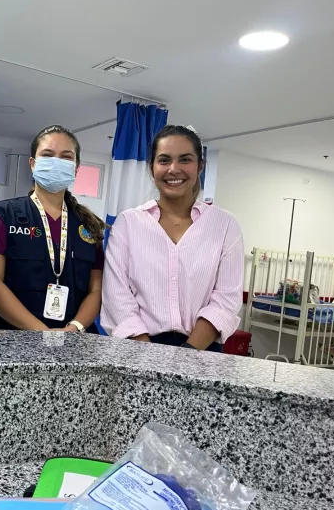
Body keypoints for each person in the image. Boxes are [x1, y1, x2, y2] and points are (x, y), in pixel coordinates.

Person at [101, 125, 243, 351]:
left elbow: (226, 299)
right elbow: (117, 297)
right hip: (138, 349)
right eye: (164, 160)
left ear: (200, 166)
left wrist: (187, 354)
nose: (174, 169)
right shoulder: (128, 223)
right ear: (152, 167)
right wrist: (150, 358)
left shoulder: (224, 225)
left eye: (185, 160)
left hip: (202, 349)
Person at [0, 125, 104, 333]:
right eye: (47, 155)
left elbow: (96, 290)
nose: (56, 162)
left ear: (76, 168)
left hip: (75, 339)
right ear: (33, 164)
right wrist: (41, 331)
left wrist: (74, 328)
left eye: (66, 157)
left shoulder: (89, 226)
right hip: (14, 338)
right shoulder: (2, 215)